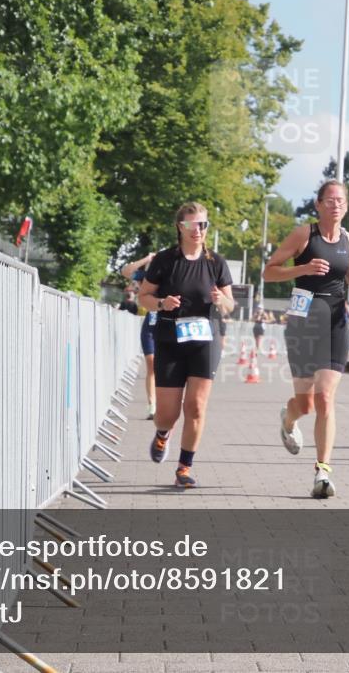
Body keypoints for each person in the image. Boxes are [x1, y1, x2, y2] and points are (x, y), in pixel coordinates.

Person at [263, 180, 349, 498]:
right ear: (319, 204)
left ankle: (322, 472)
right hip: (302, 321)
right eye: (330, 200)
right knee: (306, 404)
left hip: (336, 320)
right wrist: (304, 268)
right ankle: (288, 417)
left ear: (346, 207)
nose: (336, 205)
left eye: (341, 201)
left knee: (325, 398)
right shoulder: (303, 235)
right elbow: (269, 271)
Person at [137, 203, 235, 487]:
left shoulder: (216, 262)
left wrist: (221, 301)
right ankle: (162, 434)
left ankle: (184, 468)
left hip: (206, 340)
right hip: (170, 339)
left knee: (196, 406)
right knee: (167, 414)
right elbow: (144, 296)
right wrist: (160, 303)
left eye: (203, 225)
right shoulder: (166, 260)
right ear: (180, 227)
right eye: (192, 225)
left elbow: (230, 305)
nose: (198, 231)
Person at [121, 253, 157, 418]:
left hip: (168, 326)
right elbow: (126, 272)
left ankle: (166, 402)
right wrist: (146, 259)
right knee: (151, 365)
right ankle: (152, 405)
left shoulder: (171, 276)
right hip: (150, 326)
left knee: (165, 368)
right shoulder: (145, 276)